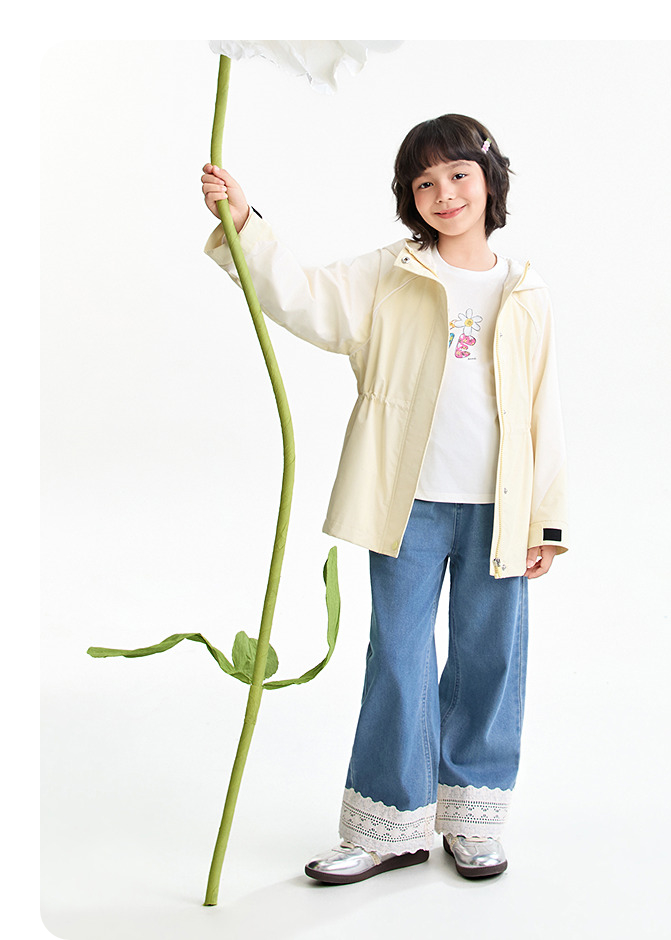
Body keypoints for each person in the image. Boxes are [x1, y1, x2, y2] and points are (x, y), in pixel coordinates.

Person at [201, 113, 568, 884]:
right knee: (398, 659)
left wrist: (546, 519)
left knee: (489, 660)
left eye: (458, 174)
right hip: (409, 504)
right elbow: (304, 299)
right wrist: (244, 222)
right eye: (424, 182)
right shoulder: (390, 272)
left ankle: (471, 820)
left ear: (490, 180)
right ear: (409, 198)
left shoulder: (525, 289)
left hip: (500, 511)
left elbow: (544, 411)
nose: (444, 193)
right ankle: (389, 827)